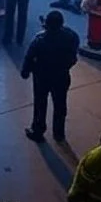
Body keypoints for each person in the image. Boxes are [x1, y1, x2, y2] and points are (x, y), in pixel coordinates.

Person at [21, 10, 79, 143]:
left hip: (42, 78)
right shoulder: (71, 37)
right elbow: (73, 57)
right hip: (61, 77)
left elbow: (29, 57)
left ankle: (38, 130)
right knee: (60, 105)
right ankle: (59, 133)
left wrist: (26, 71)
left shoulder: (39, 40)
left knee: (40, 104)